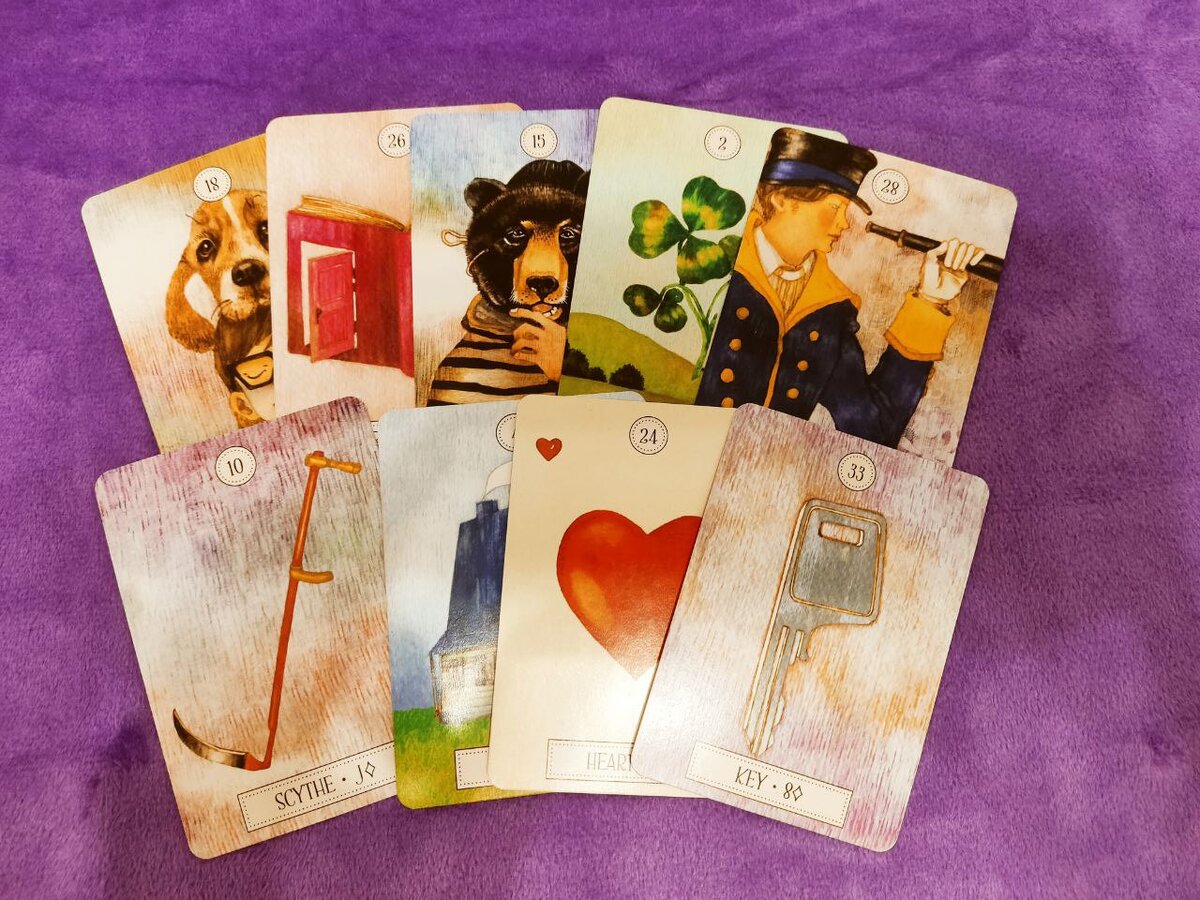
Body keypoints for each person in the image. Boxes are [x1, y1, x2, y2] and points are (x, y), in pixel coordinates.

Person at [695, 129, 984, 448]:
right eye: (835, 208)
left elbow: (872, 429)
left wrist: (929, 300)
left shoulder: (829, 310)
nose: (844, 223)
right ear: (782, 199)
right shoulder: (714, 263)